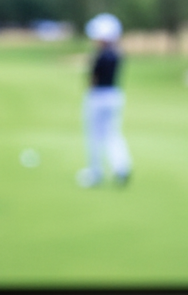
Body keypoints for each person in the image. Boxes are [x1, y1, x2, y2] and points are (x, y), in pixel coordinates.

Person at [79, 13, 132, 188]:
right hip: (115, 96)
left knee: (94, 136)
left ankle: (95, 172)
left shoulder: (100, 55)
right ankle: (121, 167)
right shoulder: (118, 53)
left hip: (98, 97)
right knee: (112, 133)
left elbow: (92, 79)